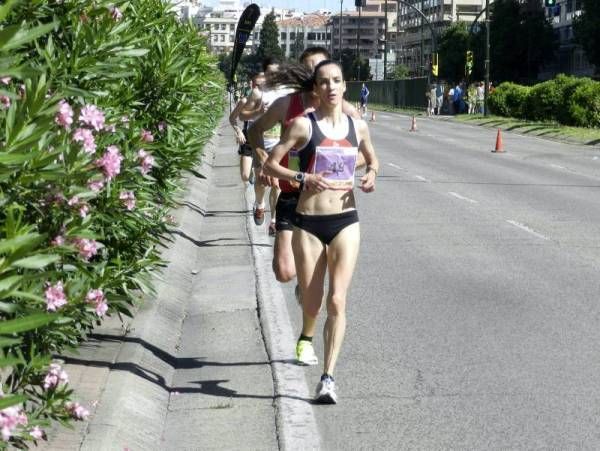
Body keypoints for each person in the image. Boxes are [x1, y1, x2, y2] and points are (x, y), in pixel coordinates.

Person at [264, 60, 379, 404]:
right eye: (324, 82)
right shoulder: (303, 125)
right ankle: (306, 331)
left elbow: (373, 159)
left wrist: (371, 173)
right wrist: (302, 178)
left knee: (337, 300)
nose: (331, 87)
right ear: (316, 90)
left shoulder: (357, 127)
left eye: (337, 81)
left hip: (346, 220)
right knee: (313, 302)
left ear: (345, 87)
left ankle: (328, 377)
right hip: (308, 224)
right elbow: (272, 162)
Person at [249, 48, 363, 366]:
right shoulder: (289, 106)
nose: (326, 85)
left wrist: (350, 169)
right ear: (310, 80)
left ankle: (309, 309)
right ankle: (306, 278)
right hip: (291, 194)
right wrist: (262, 158)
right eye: (317, 75)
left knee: (331, 294)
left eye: (332, 78)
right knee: (285, 272)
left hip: (327, 205)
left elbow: (363, 152)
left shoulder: (347, 112)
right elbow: (254, 129)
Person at [239, 58, 293, 234]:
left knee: (277, 185)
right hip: (261, 144)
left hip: (281, 145)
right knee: (262, 182)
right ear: (265, 74)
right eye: (270, 73)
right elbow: (243, 115)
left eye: (276, 73)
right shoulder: (258, 93)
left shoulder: (287, 93)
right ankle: (259, 203)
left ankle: (275, 220)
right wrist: (257, 112)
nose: (273, 76)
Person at [228, 73, 264, 184]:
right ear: (252, 84)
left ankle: (259, 199)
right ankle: (252, 170)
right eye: (256, 85)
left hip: (264, 140)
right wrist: (238, 131)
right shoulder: (244, 101)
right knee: (245, 176)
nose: (257, 87)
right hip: (248, 138)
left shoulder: (270, 99)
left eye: (261, 85)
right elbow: (232, 118)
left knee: (263, 177)